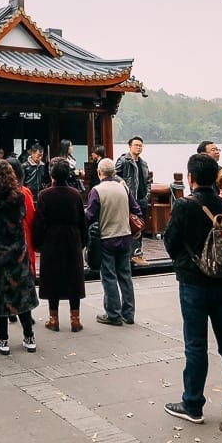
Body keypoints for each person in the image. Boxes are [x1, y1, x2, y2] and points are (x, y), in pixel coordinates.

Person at [162, 153, 222, 424]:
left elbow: (171, 240)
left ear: (190, 177)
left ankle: (193, 404)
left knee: (196, 344)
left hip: (192, 282)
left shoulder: (184, 205)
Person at [0, 159, 38, 355]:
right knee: (21, 294)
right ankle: (29, 336)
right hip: (17, 251)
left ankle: (2, 339)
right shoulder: (19, 197)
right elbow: (22, 217)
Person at [32, 157, 87, 332]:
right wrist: (83, 241)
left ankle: (53, 319)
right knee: (73, 277)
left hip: (52, 239)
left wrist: (37, 243)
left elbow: (40, 222)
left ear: (51, 175)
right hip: (72, 237)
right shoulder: (75, 194)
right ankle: (75, 319)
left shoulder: (44, 195)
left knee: (52, 278)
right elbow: (82, 221)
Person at [86, 158, 141, 326]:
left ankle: (113, 314)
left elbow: (90, 216)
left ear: (99, 172)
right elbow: (136, 210)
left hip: (107, 238)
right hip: (125, 236)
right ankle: (129, 313)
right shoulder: (124, 188)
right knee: (125, 275)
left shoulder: (97, 190)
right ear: (114, 173)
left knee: (109, 276)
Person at [115, 136, 150, 266]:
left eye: (140, 145)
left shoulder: (144, 163)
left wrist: (147, 195)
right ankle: (131, 254)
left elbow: (148, 181)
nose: (138, 147)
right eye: (136, 145)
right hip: (129, 199)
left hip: (141, 199)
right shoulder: (124, 160)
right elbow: (114, 174)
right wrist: (121, 181)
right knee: (130, 226)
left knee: (140, 226)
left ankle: (137, 253)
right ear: (130, 146)